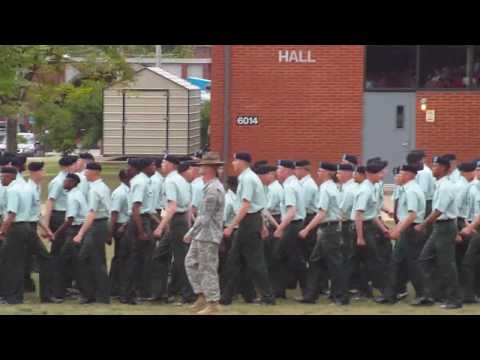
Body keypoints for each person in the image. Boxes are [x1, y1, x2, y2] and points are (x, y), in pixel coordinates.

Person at [220, 152, 275, 305]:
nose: (233, 163)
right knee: (234, 260)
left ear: (242, 162)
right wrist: (262, 225)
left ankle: (268, 298)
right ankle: (226, 298)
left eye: (235, 160)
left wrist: (231, 226)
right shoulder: (248, 177)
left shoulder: (247, 178)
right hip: (250, 221)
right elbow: (259, 205)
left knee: (255, 262)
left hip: (248, 222)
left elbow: (246, 205)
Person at [415, 155, 462, 309]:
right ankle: (435, 293)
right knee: (425, 258)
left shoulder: (446, 186)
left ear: (443, 168)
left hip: (445, 226)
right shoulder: (439, 184)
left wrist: (423, 225)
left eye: (435, 166)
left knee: (447, 264)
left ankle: (454, 299)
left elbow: (438, 211)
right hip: (440, 227)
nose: (433, 168)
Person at [299, 162, 349, 305]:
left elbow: (322, 213)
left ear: (328, 173)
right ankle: (310, 295)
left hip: (329, 230)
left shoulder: (326, 188)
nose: (318, 173)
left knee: (334, 264)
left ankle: (340, 296)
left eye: (320, 170)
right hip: (328, 229)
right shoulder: (333, 187)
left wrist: (307, 229)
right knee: (316, 262)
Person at [184, 153, 226, 314]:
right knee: (191, 262)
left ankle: (213, 302)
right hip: (202, 234)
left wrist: (191, 232)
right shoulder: (208, 186)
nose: (199, 167)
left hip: (208, 234)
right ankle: (202, 295)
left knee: (208, 268)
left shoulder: (214, 189)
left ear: (209, 168)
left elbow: (206, 217)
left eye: (202, 165)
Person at [379, 164, 426, 304]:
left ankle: (424, 295)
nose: (396, 177)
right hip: (407, 229)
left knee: (412, 264)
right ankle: (391, 294)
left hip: (411, 230)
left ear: (407, 175)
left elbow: (411, 215)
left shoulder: (411, 191)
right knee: (398, 262)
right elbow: (405, 216)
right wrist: (396, 229)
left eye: (399, 174)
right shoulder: (409, 189)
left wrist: (397, 230)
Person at [153, 155, 196, 305]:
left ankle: (188, 294)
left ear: (171, 164)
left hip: (176, 221)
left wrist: (160, 226)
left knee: (181, 260)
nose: (162, 165)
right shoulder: (181, 180)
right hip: (180, 220)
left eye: (164, 162)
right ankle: (162, 291)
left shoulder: (171, 181)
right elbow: (189, 205)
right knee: (160, 255)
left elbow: (172, 207)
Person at [73, 163, 112, 304]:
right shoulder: (103, 187)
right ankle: (98, 294)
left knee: (86, 260)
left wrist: (80, 233)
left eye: (86, 171)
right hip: (101, 224)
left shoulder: (94, 190)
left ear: (94, 172)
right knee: (96, 260)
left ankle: (93, 294)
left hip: (96, 226)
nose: (84, 173)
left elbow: (91, 213)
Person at [353, 159, 390, 301]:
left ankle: (384, 292)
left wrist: (383, 229)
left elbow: (371, 213)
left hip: (367, 226)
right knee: (367, 261)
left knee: (372, 261)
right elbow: (359, 215)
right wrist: (360, 236)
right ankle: (367, 291)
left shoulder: (371, 188)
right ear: (369, 174)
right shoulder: (365, 190)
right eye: (379, 173)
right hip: (362, 228)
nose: (382, 175)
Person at [24, 161, 59, 303]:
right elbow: (29, 214)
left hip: (30, 226)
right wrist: (47, 230)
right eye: (42, 171)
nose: (44, 174)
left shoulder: (36, 188)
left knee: (23, 260)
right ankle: (46, 295)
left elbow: (36, 214)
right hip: (27, 228)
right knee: (45, 259)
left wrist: (47, 230)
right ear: (35, 172)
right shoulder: (29, 189)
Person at [270, 160, 306, 299]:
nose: (277, 173)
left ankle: (307, 292)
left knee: (286, 258)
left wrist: (280, 228)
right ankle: (280, 290)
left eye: (279, 170)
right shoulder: (294, 184)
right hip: (294, 224)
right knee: (286, 257)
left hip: (292, 225)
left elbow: (291, 212)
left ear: (286, 171)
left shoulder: (289, 187)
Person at [120, 158, 154, 305]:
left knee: (139, 258)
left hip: (141, 220)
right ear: (145, 167)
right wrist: (141, 231)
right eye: (152, 165)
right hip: (139, 221)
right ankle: (128, 294)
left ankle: (134, 292)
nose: (155, 167)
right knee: (136, 259)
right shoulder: (140, 182)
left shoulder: (142, 180)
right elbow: (136, 209)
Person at [44, 155, 78, 298]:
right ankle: (56, 287)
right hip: (59, 217)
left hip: (66, 217)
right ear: (69, 166)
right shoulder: (58, 182)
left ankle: (65, 285)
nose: (77, 166)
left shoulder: (70, 179)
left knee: (66, 254)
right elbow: (50, 202)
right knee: (58, 253)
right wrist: (46, 224)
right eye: (75, 164)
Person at [53, 173, 88, 302]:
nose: (63, 183)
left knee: (65, 261)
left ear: (73, 182)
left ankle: (61, 293)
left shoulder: (73, 197)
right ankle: (70, 290)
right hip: (77, 229)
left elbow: (70, 220)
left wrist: (56, 234)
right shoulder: (76, 194)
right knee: (73, 262)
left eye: (66, 181)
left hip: (74, 230)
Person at [0, 166, 31, 304]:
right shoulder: (23, 188)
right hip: (25, 226)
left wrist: (2, 231)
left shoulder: (12, 190)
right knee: (17, 263)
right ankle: (15, 296)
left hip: (15, 228)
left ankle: (12, 297)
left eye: (3, 177)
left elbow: (11, 213)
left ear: (10, 176)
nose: (1, 179)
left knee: (11, 265)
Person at [454, 162, 480, 303]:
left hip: (475, 228)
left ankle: (470, 295)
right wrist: (467, 224)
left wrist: (469, 227)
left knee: (468, 262)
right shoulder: (473, 187)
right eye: (476, 169)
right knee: (471, 261)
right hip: (471, 225)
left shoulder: (472, 187)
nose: (477, 172)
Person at [109, 169, 131, 298]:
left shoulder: (130, 191)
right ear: (123, 179)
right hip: (120, 228)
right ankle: (116, 288)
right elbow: (114, 214)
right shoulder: (120, 193)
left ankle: (118, 287)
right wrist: (110, 233)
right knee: (120, 258)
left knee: (124, 258)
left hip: (126, 225)